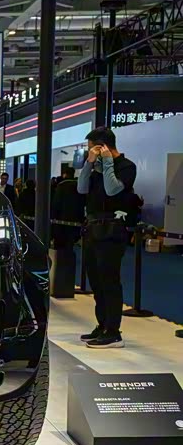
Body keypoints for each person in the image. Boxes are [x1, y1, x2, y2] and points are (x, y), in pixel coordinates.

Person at [77, 126, 137, 349]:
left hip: (112, 230)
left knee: (109, 280)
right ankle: (102, 325)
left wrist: (108, 162)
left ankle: (113, 331)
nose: (89, 151)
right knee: (96, 280)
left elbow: (113, 190)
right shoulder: (96, 168)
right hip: (93, 228)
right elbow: (82, 189)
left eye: (91, 148)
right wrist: (89, 164)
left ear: (103, 146)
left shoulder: (127, 167)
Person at [51, 167, 85, 249]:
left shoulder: (61, 186)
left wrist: (53, 217)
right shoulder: (78, 185)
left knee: (61, 244)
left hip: (62, 220)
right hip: (76, 219)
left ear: (65, 174)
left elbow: (56, 203)